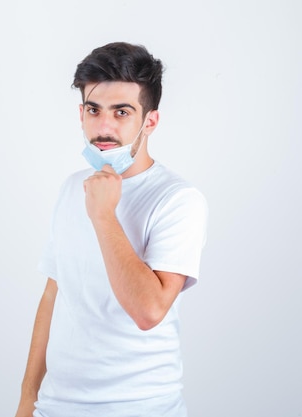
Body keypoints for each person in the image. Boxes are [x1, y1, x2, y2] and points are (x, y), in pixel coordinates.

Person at [15, 42, 208, 417]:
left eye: (122, 112)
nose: (104, 127)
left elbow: (149, 311)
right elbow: (54, 296)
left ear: (149, 121)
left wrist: (104, 216)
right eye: (94, 110)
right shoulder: (73, 187)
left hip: (141, 408)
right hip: (56, 407)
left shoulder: (178, 199)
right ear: (81, 113)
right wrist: (27, 401)